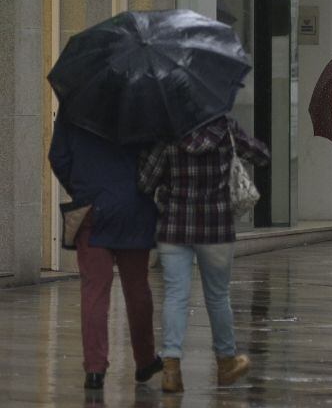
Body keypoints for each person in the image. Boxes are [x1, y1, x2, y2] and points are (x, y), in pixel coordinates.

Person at [138, 116, 269, 393]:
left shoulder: (167, 132)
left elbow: (146, 181)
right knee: (218, 297)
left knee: (175, 295)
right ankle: (225, 362)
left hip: (174, 225)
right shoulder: (225, 127)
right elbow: (260, 155)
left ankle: (172, 368)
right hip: (216, 226)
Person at [48, 112, 161, 391]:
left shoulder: (76, 104)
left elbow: (58, 157)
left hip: (91, 210)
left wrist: (81, 188)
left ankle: (95, 369)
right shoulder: (142, 104)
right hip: (133, 210)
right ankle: (145, 360)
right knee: (137, 289)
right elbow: (156, 161)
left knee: (94, 290)